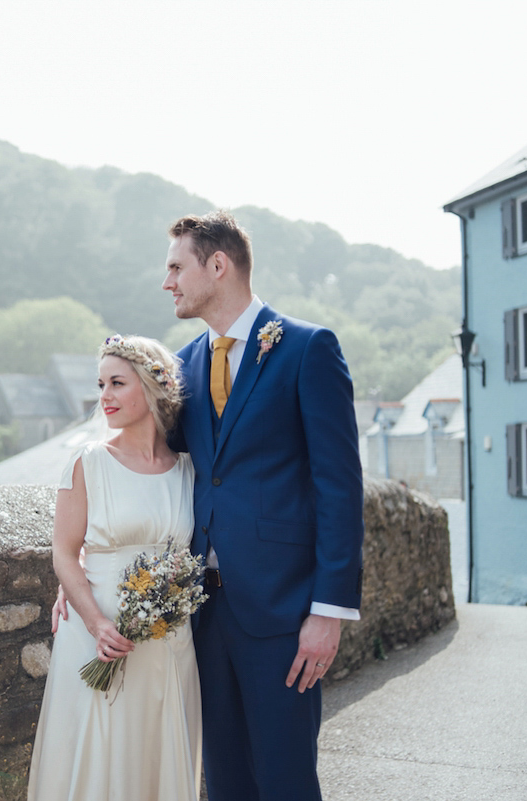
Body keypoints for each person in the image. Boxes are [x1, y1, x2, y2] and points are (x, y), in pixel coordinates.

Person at [162, 210, 364, 801]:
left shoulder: (307, 348)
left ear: (217, 265)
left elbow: (339, 485)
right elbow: (159, 467)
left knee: (285, 779)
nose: (167, 281)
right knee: (223, 780)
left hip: (284, 611)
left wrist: (329, 611)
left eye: (176, 266)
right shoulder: (183, 365)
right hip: (204, 609)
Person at [27, 335, 202, 801]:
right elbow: (64, 553)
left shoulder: (187, 468)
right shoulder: (89, 462)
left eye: (117, 383)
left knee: (154, 754)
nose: (103, 396)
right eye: (100, 383)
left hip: (168, 642)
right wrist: (96, 622)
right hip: (98, 635)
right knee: (98, 757)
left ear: (152, 388)